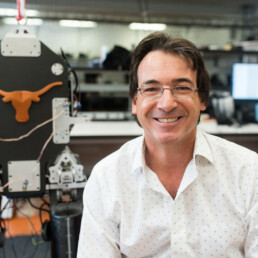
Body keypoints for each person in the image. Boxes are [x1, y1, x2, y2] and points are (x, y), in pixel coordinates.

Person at [77, 32, 258, 257]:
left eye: (181, 88)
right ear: (135, 101)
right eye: (151, 89)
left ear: (202, 99)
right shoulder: (107, 180)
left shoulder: (249, 173)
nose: (166, 103)